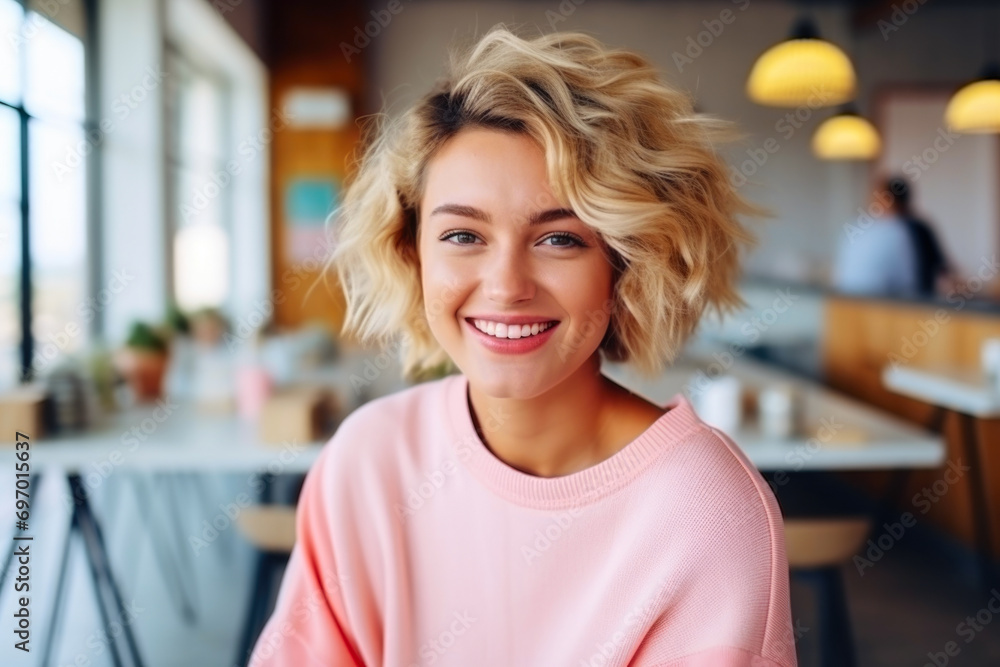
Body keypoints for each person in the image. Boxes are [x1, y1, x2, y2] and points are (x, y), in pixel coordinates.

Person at [248, 26, 797, 667]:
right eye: (462, 236)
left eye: (559, 239)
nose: (506, 286)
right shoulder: (365, 463)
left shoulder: (708, 510)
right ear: (411, 251)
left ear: (625, 265)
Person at [832, 175, 951, 298]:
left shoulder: (909, 229)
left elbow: (942, 272)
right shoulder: (902, 229)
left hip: (889, 305)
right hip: (895, 305)